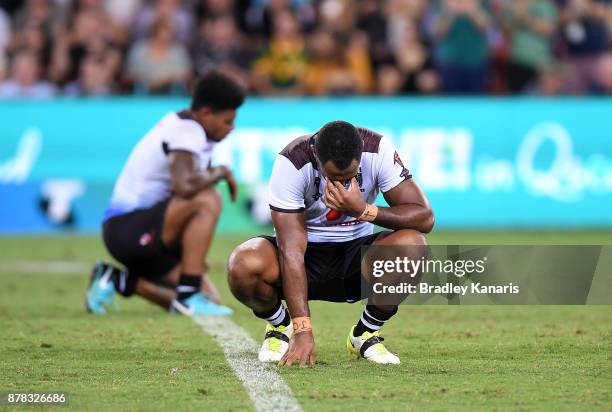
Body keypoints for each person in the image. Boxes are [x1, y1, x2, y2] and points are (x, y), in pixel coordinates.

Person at [227, 121, 434, 366]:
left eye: (349, 177)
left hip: (358, 256)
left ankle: (365, 333)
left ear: (360, 157)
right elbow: (291, 251)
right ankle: (280, 326)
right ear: (316, 155)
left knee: (413, 245)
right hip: (304, 257)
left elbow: (425, 218)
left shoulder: (378, 151)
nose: (342, 184)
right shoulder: (293, 162)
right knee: (243, 263)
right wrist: (303, 330)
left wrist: (363, 210)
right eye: (333, 176)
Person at [86, 71, 245, 316]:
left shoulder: (190, 127)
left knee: (211, 299)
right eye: (227, 121)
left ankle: (119, 279)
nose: (231, 128)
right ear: (205, 113)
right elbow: (184, 186)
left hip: (147, 232)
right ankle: (188, 295)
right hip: (128, 229)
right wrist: (220, 171)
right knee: (208, 199)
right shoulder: (187, 132)